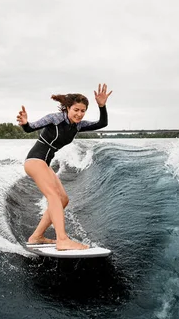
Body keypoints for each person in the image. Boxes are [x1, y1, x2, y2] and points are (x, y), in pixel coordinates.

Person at [16, 83, 112, 250]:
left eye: (83, 111)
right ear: (68, 108)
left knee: (63, 200)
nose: (79, 114)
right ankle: (62, 239)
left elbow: (102, 123)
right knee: (53, 195)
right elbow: (30, 128)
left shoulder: (78, 125)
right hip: (34, 161)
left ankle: (36, 236)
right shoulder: (55, 119)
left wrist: (101, 106)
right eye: (76, 110)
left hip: (44, 164)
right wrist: (25, 123)